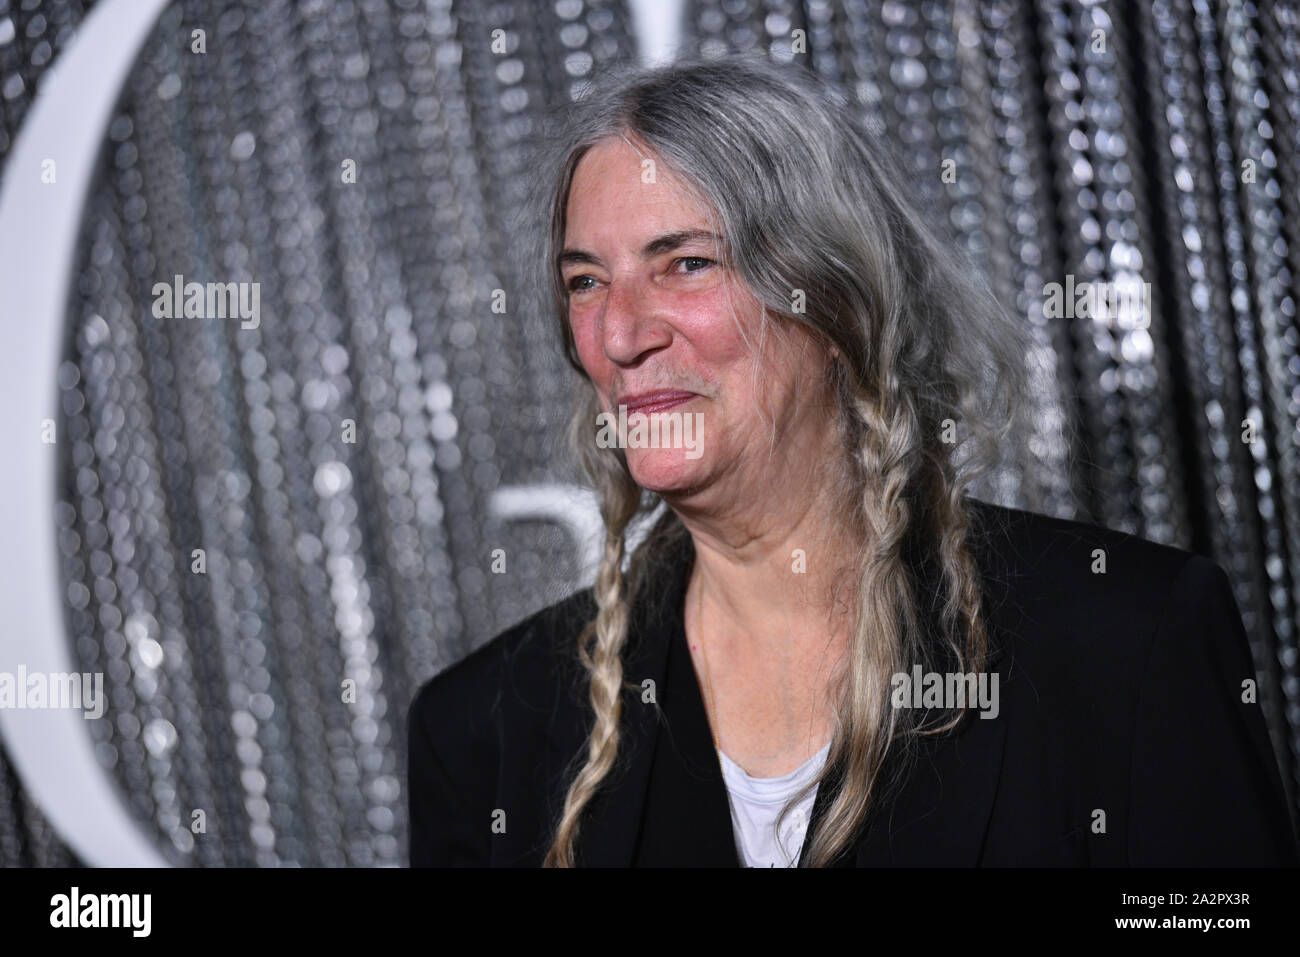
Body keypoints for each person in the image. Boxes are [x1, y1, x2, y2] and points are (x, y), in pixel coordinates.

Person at [407, 55, 1298, 867]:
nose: (620, 334)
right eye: (586, 281)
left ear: (835, 302)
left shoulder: (1127, 644)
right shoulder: (486, 733)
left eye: (685, 263)